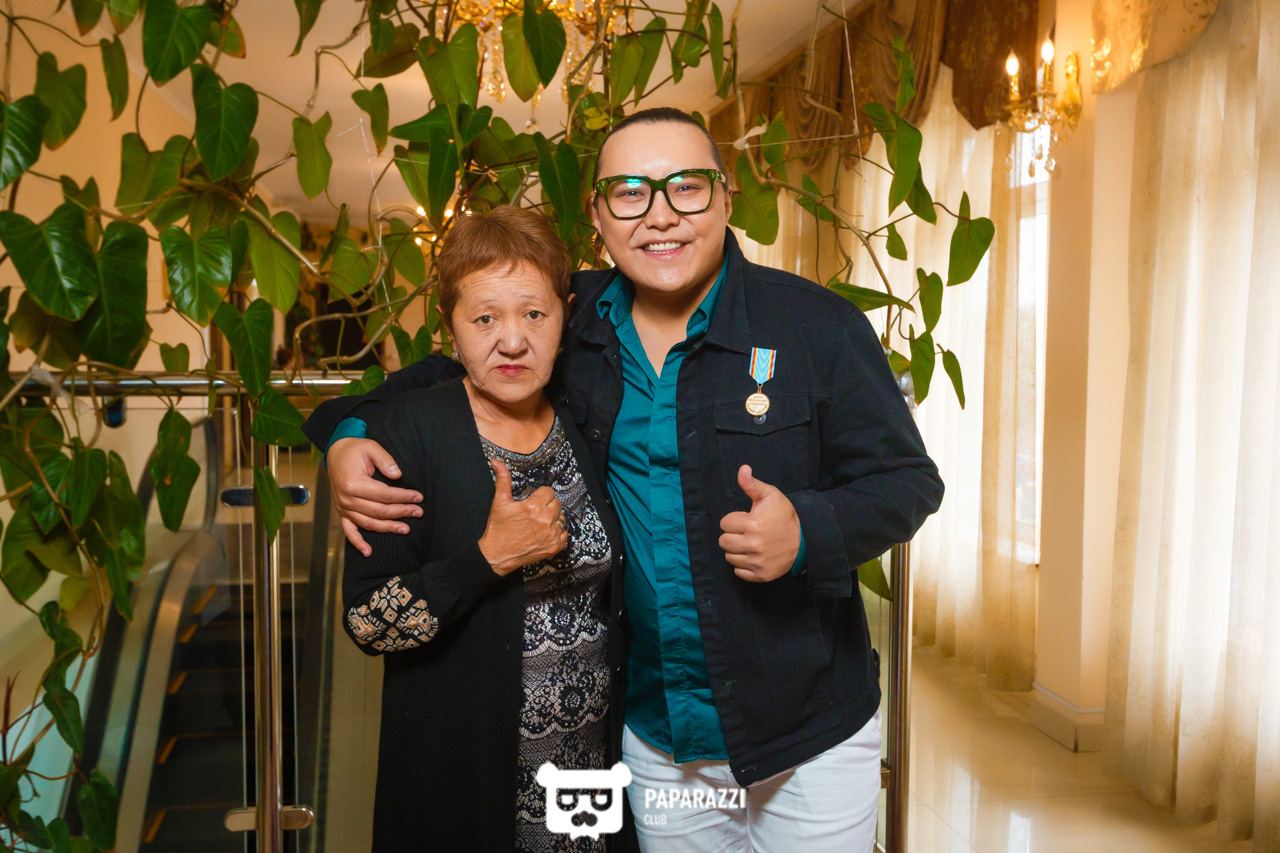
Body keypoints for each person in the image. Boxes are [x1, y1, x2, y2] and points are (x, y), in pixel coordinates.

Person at [304, 107, 944, 851]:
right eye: (631, 193)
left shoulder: (816, 327)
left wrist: (807, 531)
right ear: (598, 215)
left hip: (807, 732)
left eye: (687, 187)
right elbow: (443, 373)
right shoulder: (570, 321)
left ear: (726, 197)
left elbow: (908, 479)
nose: (660, 215)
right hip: (655, 737)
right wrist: (348, 435)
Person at [333, 205, 626, 852]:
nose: (512, 341)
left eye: (534, 314)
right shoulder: (410, 433)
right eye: (485, 318)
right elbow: (368, 622)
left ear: (565, 317)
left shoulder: (583, 414)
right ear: (451, 326)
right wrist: (489, 558)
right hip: (465, 786)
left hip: (585, 782)